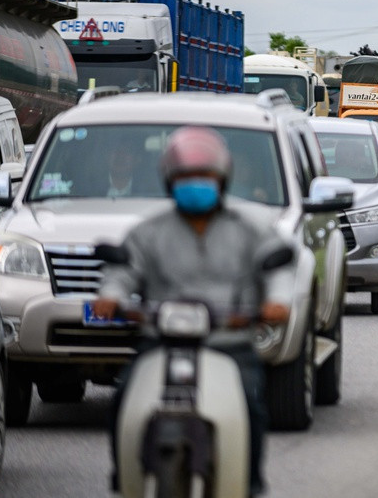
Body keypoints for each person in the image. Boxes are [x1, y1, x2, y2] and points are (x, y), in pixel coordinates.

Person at [93, 126, 292, 496]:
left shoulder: (250, 229)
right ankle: (125, 478)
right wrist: (111, 297)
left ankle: (248, 483)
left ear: (222, 179)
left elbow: (276, 268)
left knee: (251, 405)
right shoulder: (148, 232)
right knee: (123, 400)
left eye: (205, 176)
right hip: (160, 342)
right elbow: (122, 272)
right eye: (186, 176)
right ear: (170, 181)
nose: (195, 183)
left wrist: (277, 302)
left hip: (229, 342)